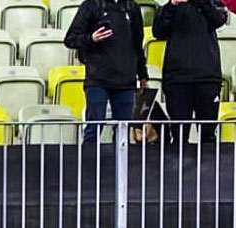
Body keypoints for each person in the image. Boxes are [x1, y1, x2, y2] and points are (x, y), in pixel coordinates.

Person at [65, 0, 149, 144]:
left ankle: (120, 159)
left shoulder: (132, 7)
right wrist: (91, 38)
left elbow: (137, 44)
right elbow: (70, 39)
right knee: (94, 126)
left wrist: (142, 75)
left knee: (123, 130)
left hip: (126, 81)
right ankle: (88, 158)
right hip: (97, 80)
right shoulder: (91, 5)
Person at [152, 0, 229, 145]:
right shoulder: (168, 8)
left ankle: (208, 160)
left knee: (208, 135)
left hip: (207, 78)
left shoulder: (212, 3)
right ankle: (178, 160)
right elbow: (158, 31)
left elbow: (219, 20)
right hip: (177, 79)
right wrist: (173, 5)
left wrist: (204, 3)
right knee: (179, 135)